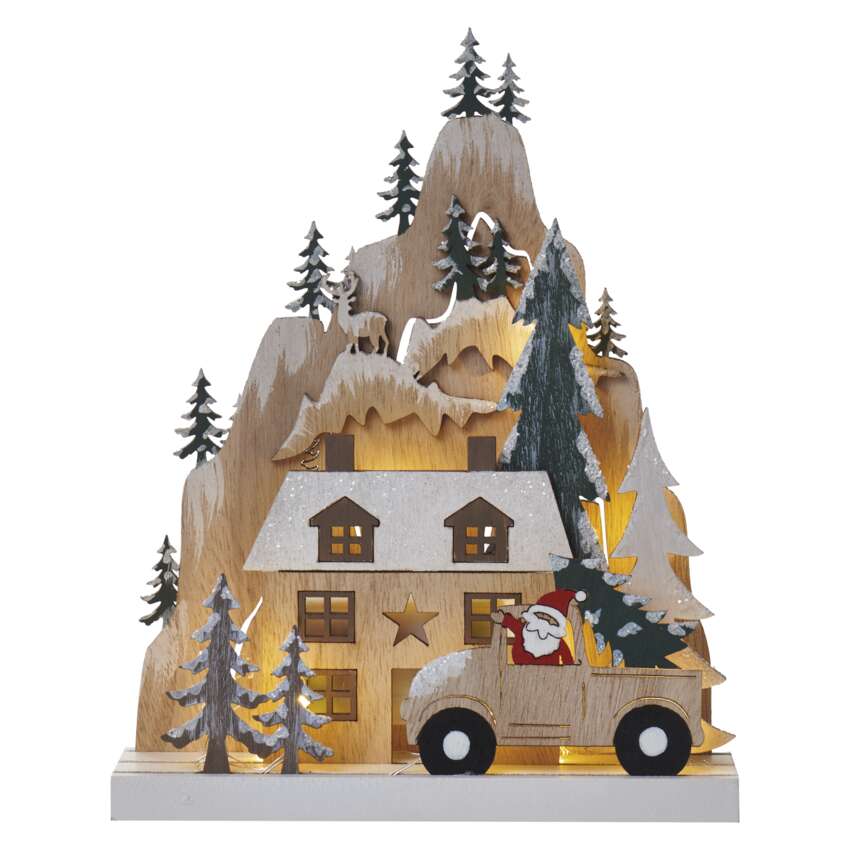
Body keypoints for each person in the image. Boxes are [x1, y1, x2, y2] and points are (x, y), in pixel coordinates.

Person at [492, 589, 585, 665]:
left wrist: (570, 667)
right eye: (541, 616)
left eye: (550, 619)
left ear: (557, 625)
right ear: (533, 616)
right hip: (519, 669)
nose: (544, 621)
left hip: (549, 673)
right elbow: (513, 623)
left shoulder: (557, 642)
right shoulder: (524, 630)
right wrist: (503, 619)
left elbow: (566, 657)